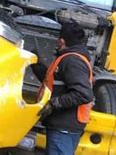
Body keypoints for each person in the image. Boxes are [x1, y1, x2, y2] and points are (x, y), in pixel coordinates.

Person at [32, 21, 94, 155]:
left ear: (61, 41)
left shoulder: (72, 61)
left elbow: (83, 94)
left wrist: (53, 104)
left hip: (64, 127)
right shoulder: (69, 58)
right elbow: (53, 82)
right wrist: (36, 64)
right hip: (64, 126)